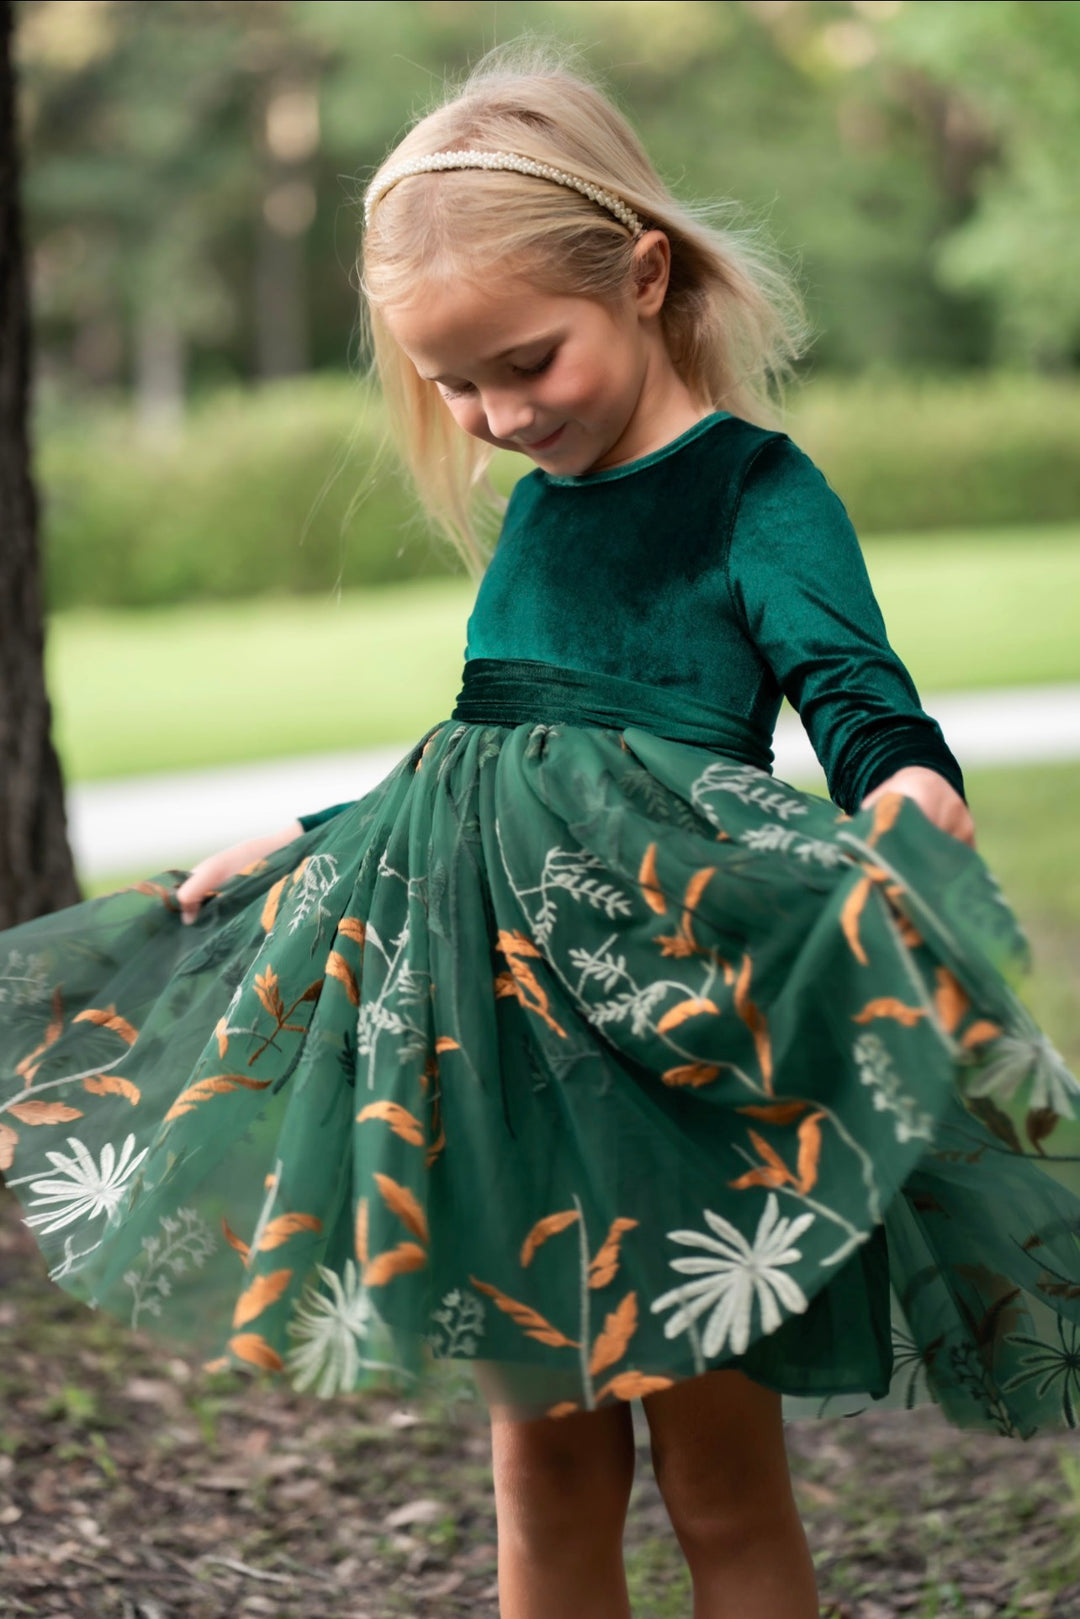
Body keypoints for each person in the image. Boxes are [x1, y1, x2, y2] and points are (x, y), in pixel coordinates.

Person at [2, 48, 1078, 1619]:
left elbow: (851, 685)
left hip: (677, 1050)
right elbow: (489, 755)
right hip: (493, 1060)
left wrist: (902, 783)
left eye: (526, 362)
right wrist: (309, 841)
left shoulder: (751, 493)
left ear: (644, 276)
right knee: (546, 1480)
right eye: (455, 386)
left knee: (720, 1482)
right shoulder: (537, 511)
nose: (498, 415)